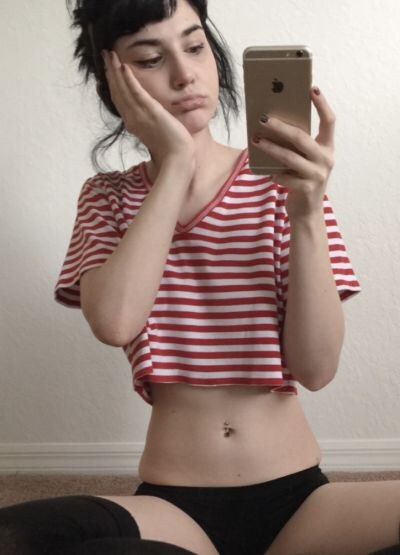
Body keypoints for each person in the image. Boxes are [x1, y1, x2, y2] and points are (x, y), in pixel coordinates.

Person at [1, 1, 399, 554]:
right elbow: (115, 322)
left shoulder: (288, 186)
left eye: (194, 47)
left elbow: (316, 369)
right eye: (150, 58)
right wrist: (176, 164)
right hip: (173, 508)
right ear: (113, 82)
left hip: (302, 505)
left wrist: (307, 212)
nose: (185, 74)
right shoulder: (106, 197)